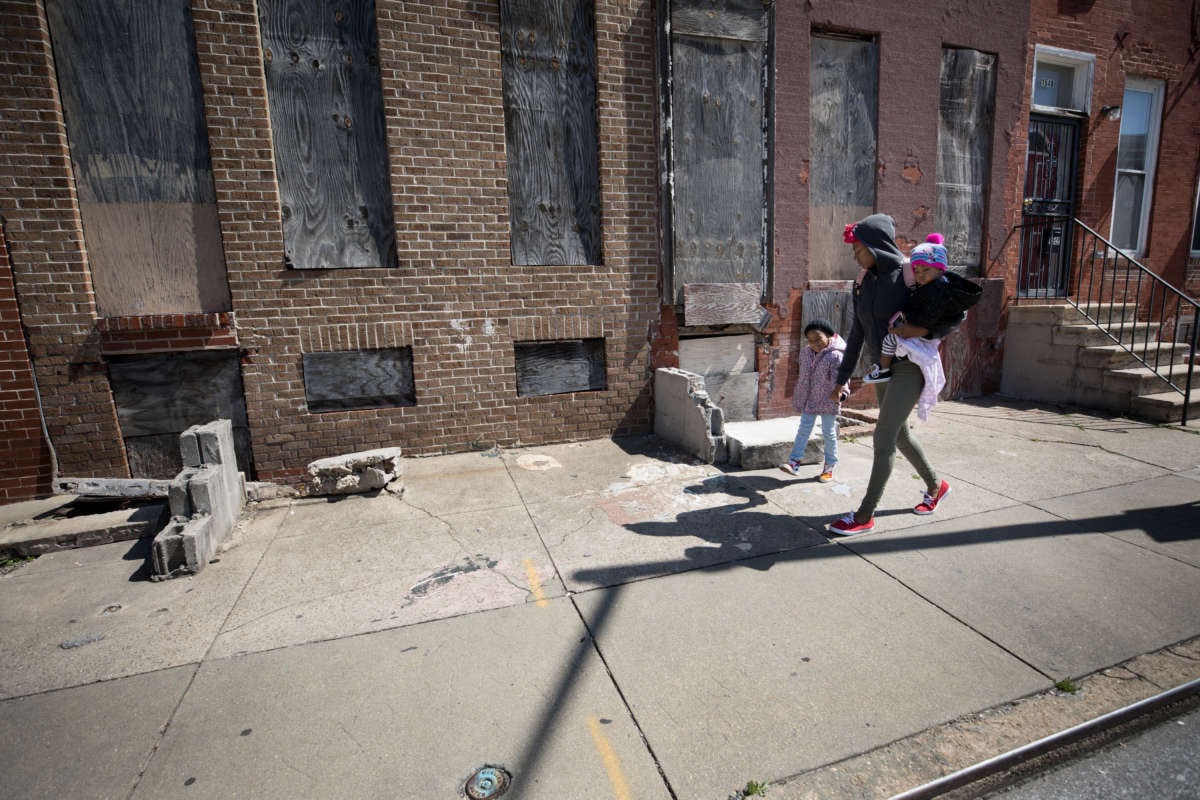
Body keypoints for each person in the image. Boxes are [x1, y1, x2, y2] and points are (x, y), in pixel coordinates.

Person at [826, 215, 958, 536]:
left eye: (858, 249)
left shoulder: (911, 273)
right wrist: (843, 377)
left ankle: (864, 515)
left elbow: (953, 308)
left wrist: (923, 330)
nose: (854, 255)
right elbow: (857, 331)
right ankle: (935, 485)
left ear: (875, 246)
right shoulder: (862, 281)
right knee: (898, 433)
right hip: (883, 366)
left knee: (882, 437)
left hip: (910, 365)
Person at [861, 233, 982, 420]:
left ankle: (882, 369)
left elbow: (938, 317)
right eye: (917, 271)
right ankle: (883, 368)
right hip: (916, 336)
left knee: (890, 339)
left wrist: (916, 328)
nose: (920, 275)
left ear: (940, 269)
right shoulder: (927, 286)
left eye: (925, 270)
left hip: (918, 343)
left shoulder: (939, 290)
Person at [779, 319, 845, 482]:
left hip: (828, 400)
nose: (814, 344)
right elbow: (803, 377)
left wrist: (841, 394)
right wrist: (800, 395)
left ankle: (829, 466)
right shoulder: (805, 352)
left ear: (829, 335)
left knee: (828, 433)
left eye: (818, 339)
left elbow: (843, 378)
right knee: (804, 429)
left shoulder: (836, 355)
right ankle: (794, 462)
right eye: (810, 340)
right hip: (809, 399)